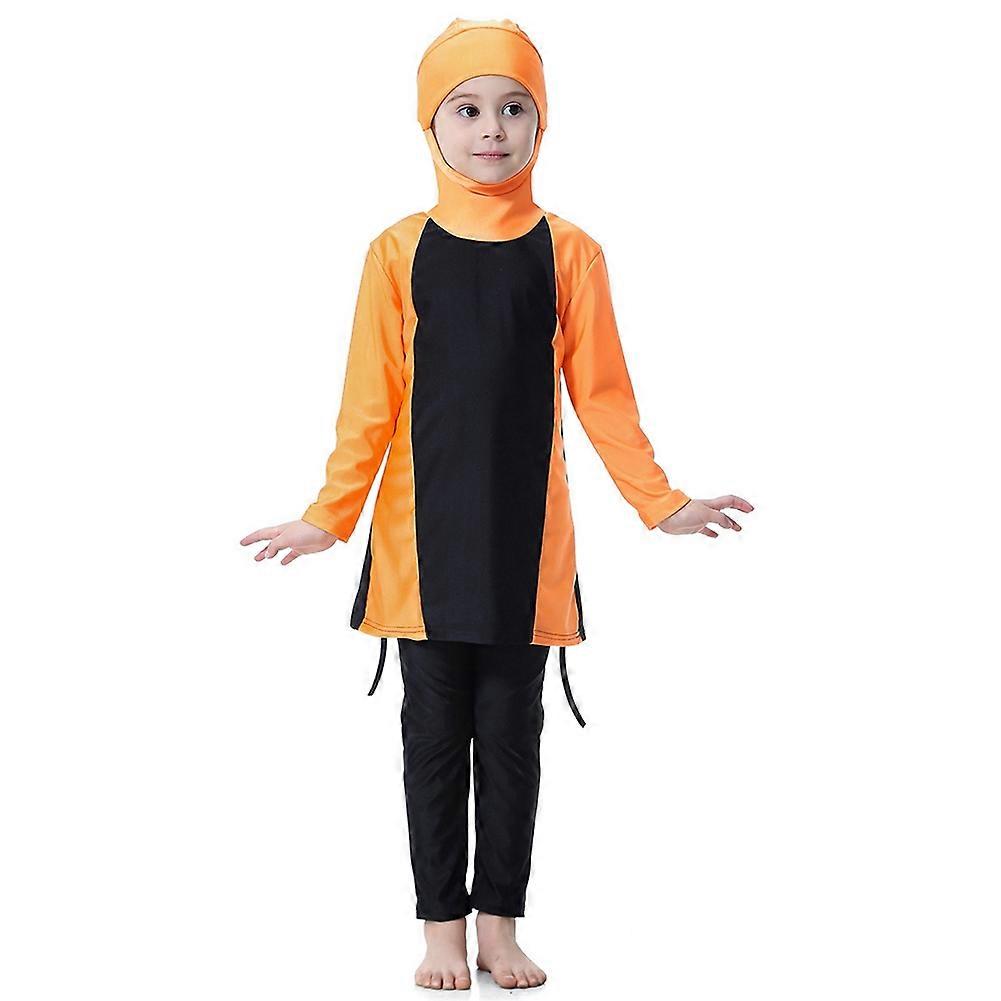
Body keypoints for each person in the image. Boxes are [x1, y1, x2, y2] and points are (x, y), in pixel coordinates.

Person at [240, 18, 753, 991]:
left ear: (540, 124)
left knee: (513, 743)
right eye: (467, 108)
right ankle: (440, 928)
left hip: (527, 550)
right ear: (428, 124)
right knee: (433, 744)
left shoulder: (570, 252)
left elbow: (602, 397)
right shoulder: (396, 251)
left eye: (513, 108)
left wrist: (660, 502)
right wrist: (328, 515)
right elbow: (369, 403)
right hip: (420, 552)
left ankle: (499, 927)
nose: (490, 128)